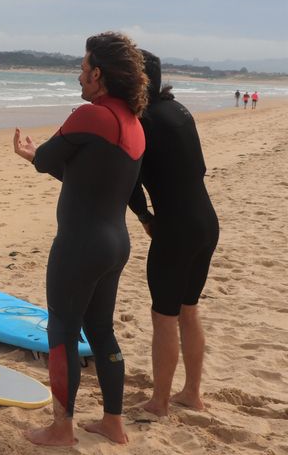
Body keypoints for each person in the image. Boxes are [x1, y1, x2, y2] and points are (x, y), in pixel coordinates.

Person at [13, 32, 148, 446]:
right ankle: (113, 423)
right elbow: (88, 178)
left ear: (98, 74)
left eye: (83, 67)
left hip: (79, 245)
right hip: (115, 244)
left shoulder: (90, 116)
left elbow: (51, 160)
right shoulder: (133, 124)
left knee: (63, 331)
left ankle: (62, 428)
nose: (79, 75)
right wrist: (43, 157)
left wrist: (35, 153)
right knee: (102, 331)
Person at [129, 50, 219, 417]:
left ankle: (160, 402)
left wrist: (144, 216)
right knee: (189, 309)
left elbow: (130, 181)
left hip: (176, 227)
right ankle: (192, 394)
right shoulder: (178, 110)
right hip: (206, 221)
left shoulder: (142, 121)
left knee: (163, 315)